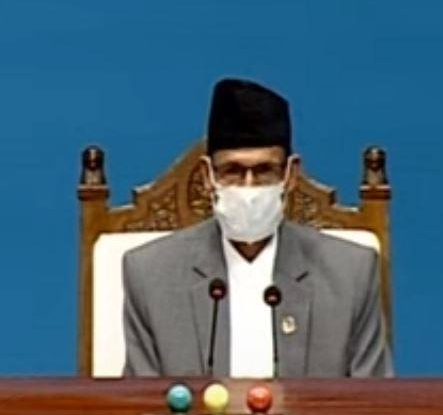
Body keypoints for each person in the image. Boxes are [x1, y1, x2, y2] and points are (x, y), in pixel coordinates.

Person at [123, 78, 393, 377]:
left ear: (290, 175)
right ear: (207, 176)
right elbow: (141, 400)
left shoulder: (350, 273)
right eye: (233, 171)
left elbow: (371, 400)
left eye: (264, 171)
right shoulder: (150, 274)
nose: (248, 187)